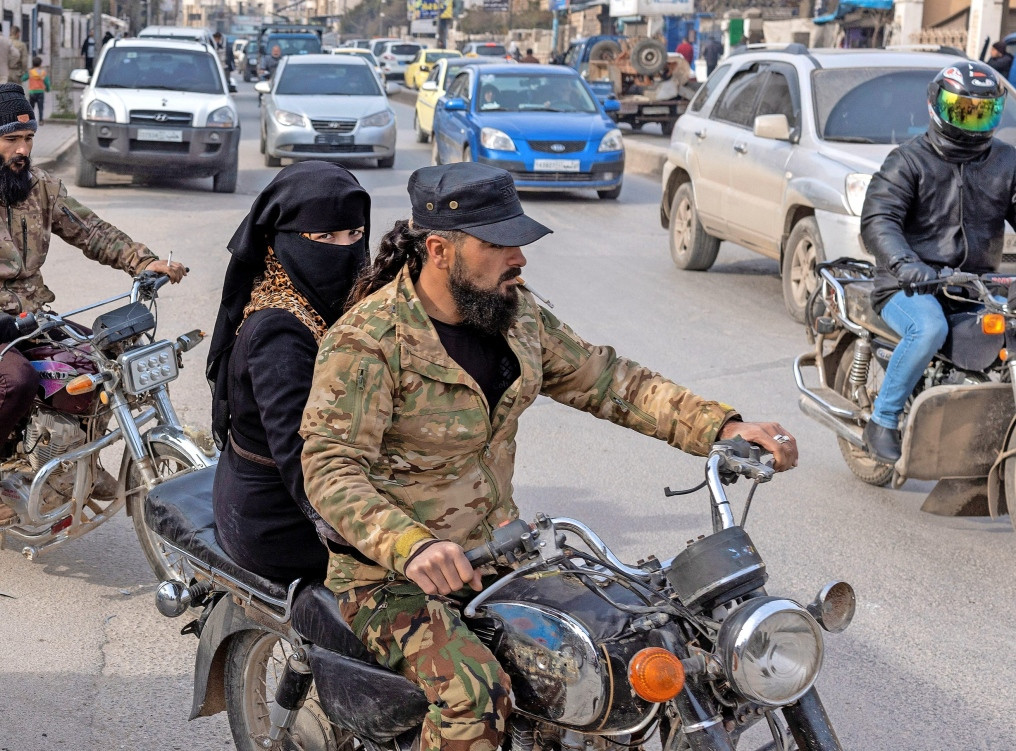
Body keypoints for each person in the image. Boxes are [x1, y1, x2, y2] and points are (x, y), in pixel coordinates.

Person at [300, 162, 799, 751]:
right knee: (473, 699)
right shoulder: (369, 340)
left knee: (621, 648)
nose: (520, 258)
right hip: (391, 577)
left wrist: (720, 425)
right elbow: (330, 468)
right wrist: (413, 546)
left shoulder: (517, 315)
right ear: (440, 249)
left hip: (501, 549)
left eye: (520, 241)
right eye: (499, 243)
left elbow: (608, 380)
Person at [0, 82, 187, 527]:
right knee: (15, 382)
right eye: (11, 140)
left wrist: (146, 261)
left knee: (101, 364)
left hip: (31, 315)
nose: (23, 150)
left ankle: (72, 458)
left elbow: (91, 231)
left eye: (28, 139)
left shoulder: (38, 185)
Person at [206, 162, 370, 583]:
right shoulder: (280, 329)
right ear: (283, 243)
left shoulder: (324, 304)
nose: (346, 249)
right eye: (325, 237)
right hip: (275, 520)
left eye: (355, 234)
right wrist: (368, 534)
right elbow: (299, 453)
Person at [860, 61, 1016, 463]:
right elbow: (880, 219)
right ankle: (883, 418)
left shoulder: (1006, 162)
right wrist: (903, 262)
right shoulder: (908, 161)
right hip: (909, 284)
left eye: (983, 112)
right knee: (928, 328)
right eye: (963, 110)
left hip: (975, 284)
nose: (973, 121)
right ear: (936, 107)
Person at [27, 55, 48, 123]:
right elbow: (47, 82)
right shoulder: (43, 72)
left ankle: (30, 119)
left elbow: (23, 78)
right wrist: (48, 89)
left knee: (31, 107)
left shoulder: (30, 72)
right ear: (40, 64)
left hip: (32, 92)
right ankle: (41, 120)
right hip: (40, 92)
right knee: (40, 107)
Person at [8, 26, 28, 91]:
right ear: (17, 33)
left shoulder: (5, 42)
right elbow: (24, 61)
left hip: (6, 72)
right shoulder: (21, 45)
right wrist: (24, 71)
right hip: (17, 72)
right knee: (16, 93)